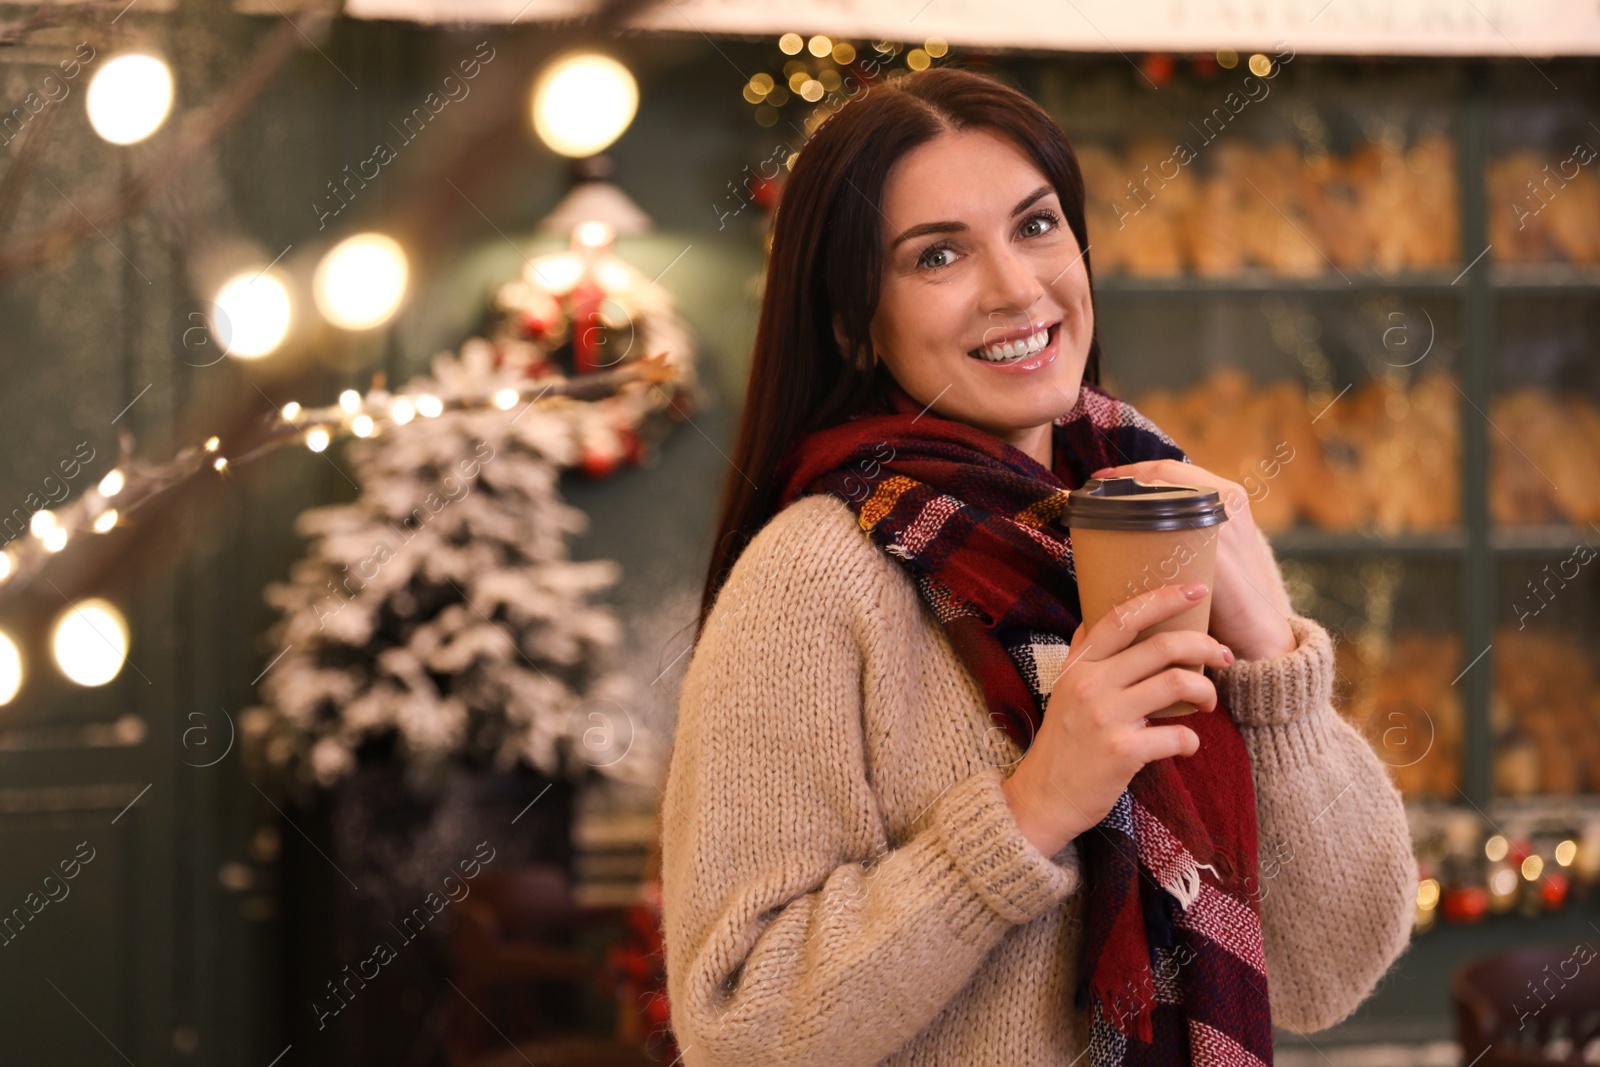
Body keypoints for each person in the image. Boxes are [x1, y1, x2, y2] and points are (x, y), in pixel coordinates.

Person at [658, 65, 1415, 1067]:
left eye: (1035, 225)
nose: (1017, 287)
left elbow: (1331, 971)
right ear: (851, 319)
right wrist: (1031, 812)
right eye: (937, 255)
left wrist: (1273, 664)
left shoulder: (1149, 505)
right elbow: (738, 1026)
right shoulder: (811, 579)